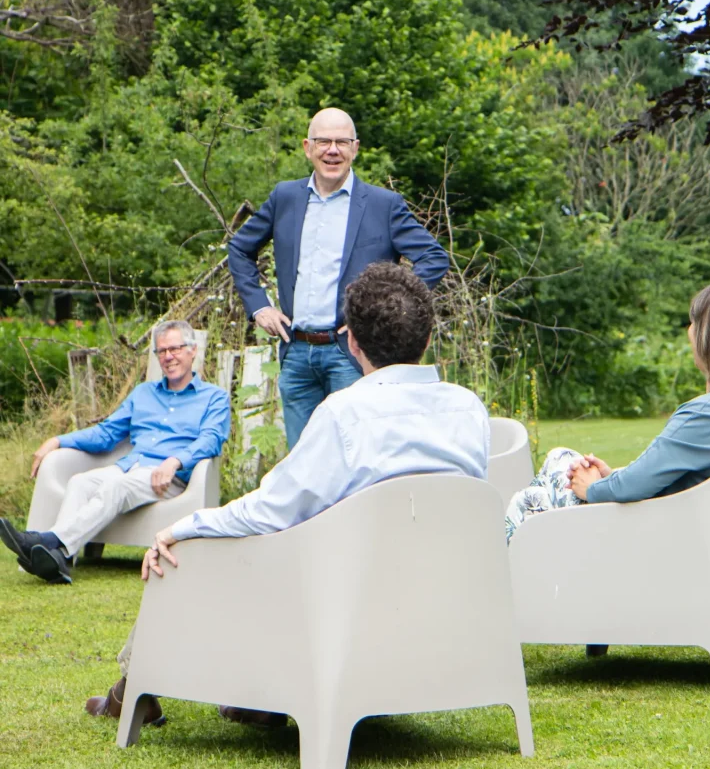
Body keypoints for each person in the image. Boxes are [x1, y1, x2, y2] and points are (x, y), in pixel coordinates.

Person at [85, 262, 490, 727]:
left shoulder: (344, 414)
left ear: (351, 341)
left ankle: (133, 686)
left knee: (192, 548)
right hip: (438, 603)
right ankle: (254, 696)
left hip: (343, 607)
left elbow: (269, 510)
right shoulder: (469, 409)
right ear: (426, 339)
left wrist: (180, 526)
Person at [227, 107, 450, 449]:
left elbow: (433, 258)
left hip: (353, 354)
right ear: (307, 147)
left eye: (342, 142)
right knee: (302, 465)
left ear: (355, 148)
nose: (332, 150)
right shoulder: (285, 197)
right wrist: (259, 307)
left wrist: (381, 311)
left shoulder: (382, 204)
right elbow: (240, 249)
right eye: (323, 141)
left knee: (356, 456)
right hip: (296, 353)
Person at [505, 282, 710, 540]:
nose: (689, 331)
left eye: (693, 323)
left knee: (528, 502)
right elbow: (662, 476)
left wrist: (593, 488)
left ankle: (516, 575)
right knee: (559, 457)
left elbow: (632, 487)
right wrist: (610, 477)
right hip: (693, 524)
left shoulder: (709, 414)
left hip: (654, 537)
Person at [0, 321, 231, 585]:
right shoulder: (144, 393)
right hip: (129, 467)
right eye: (162, 351)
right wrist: (58, 441)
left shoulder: (214, 397)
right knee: (80, 482)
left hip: (169, 478)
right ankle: (61, 558)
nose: (168, 357)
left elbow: (211, 439)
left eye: (175, 349)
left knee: (118, 486)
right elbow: (106, 434)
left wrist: (175, 461)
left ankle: (50, 541)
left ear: (192, 351)